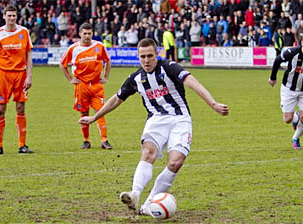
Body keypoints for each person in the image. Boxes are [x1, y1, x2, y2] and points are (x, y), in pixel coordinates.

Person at [79, 38, 229, 215]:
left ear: (157, 54)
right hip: (156, 121)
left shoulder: (170, 68)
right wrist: (95, 117)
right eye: (142, 56)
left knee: (175, 162)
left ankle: (149, 204)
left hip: (180, 120)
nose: (146, 60)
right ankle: (134, 194)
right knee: (148, 152)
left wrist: (212, 103)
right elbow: (116, 99)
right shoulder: (135, 78)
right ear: (138, 57)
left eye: (150, 55)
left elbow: (191, 81)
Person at [0, 5, 34, 155]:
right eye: (9, 16)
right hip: (3, 75)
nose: (12, 18)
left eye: (14, 16)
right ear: (4, 16)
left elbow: (29, 55)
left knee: (20, 108)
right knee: (0, 109)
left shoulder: (23, 32)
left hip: (20, 75)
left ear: (17, 17)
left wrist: (29, 76)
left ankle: (22, 145)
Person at [60, 23, 113, 150]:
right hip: (81, 86)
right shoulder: (73, 49)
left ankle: (104, 140)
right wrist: (71, 79)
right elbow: (62, 64)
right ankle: (86, 140)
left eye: (89, 33)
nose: (87, 36)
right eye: (85, 33)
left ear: (92, 34)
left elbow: (108, 60)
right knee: (84, 112)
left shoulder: (99, 46)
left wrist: (105, 77)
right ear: (80, 34)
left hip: (96, 85)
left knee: (100, 112)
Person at [268, 32, 303, 150]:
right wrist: (273, 78)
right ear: (301, 43)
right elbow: (277, 60)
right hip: (288, 88)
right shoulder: (292, 53)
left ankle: (296, 138)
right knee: (287, 119)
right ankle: (295, 118)